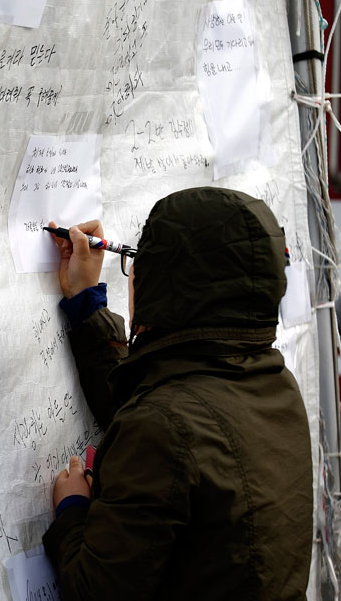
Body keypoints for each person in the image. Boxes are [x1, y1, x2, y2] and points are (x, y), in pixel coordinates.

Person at [40, 187, 313, 600]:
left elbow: (94, 590)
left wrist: (73, 510)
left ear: (164, 286)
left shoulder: (165, 426)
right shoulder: (271, 383)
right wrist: (87, 303)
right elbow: (157, 413)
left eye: (139, 263)